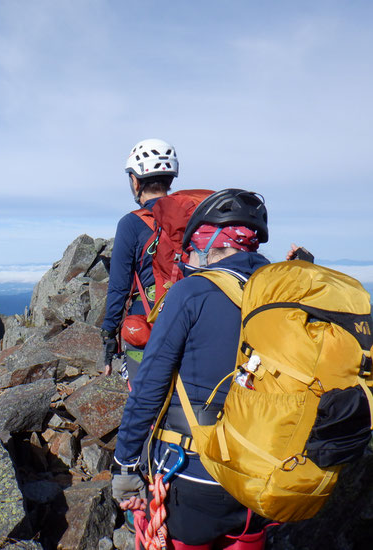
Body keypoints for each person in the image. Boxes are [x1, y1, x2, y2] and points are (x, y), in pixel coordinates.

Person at [111, 189, 272, 549]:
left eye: (194, 245)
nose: (190, 256)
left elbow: (150, 387)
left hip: (194, 478)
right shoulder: (283, 294)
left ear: (209, 239)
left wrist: (125, 467)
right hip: (263, 477)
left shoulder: (191, 293)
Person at [102, 138, 179, 376]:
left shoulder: (131, 224)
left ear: (135, 181)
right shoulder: (190, 219)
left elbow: (118, 287)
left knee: (143, 397)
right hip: (188, 314)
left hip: (146, 321)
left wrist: (108, 340)